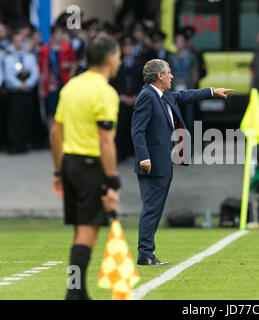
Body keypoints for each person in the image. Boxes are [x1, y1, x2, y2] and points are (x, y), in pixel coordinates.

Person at [131, 59, 233, 266]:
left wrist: (212, 91)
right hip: (152, 163)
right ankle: (145, 254)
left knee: (155, 208)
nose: (172, 76)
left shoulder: (163, 95)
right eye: (169, 73)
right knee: (152, 208)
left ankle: (147, 252)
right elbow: (137, 130)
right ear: (159, 76)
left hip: (163, 162)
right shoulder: (146, 97)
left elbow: (186, 96)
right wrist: (144, 157)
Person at [50, 34, 122, 300]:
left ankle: (78, 291)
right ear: (109, 58)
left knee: (81, 230)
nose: (120, 60)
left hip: (69, 162)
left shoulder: (71, 87)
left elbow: (56, 132)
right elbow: (105, 139)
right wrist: (112, 180)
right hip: (90, 165)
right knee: (87, 233)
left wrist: (58, 171)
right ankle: (73, 293)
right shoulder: (105, 92)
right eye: (118, 56)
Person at [4, 29, 39, 154]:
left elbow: (35, 73)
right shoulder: (8, 58)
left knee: (26, 117)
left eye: (21, 41)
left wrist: (27, 84)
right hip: (15, 91)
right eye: (17, 41)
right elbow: (8, 75)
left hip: (27, 91)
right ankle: (14, 144)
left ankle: (24, 143)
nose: (19, 43)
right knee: (14, 118)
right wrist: (20, 85)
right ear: (13, 43)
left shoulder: (29, 57)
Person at [110, 34, 143, 162]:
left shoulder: (140, 64)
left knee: (136, 127)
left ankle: (135, 153)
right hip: (121, 100)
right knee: (120, 126)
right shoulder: (117, 63)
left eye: (130, 46)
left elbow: (143, 81)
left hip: (136, 100)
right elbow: (113, 81)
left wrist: (136, 96)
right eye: (126, 46)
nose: (128, 49)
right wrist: (122, 96)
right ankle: (120, 153)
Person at [38, 25, 76, 127]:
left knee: (65, 111)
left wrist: (69, 65)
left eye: (61, 33)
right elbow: (41, 70)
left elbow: (75, 64)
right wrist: (41, 87)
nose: (60, 36)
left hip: (64, 82)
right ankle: (52, 138)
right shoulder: (44, 50)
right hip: (50, 85)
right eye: (57, 33)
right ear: (52, 34)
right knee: (51, 113)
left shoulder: (67, 49)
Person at [167, 30, 199, 137]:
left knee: (189, 119)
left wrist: (192, 87)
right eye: (177, 42)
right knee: (176, 119)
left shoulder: (192, 57)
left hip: (188, 90)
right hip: (175, 91)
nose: (179, 44)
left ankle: (192, 144)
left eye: (181, 41)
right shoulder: (171, 57)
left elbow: (195, 74)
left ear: (185, 43)